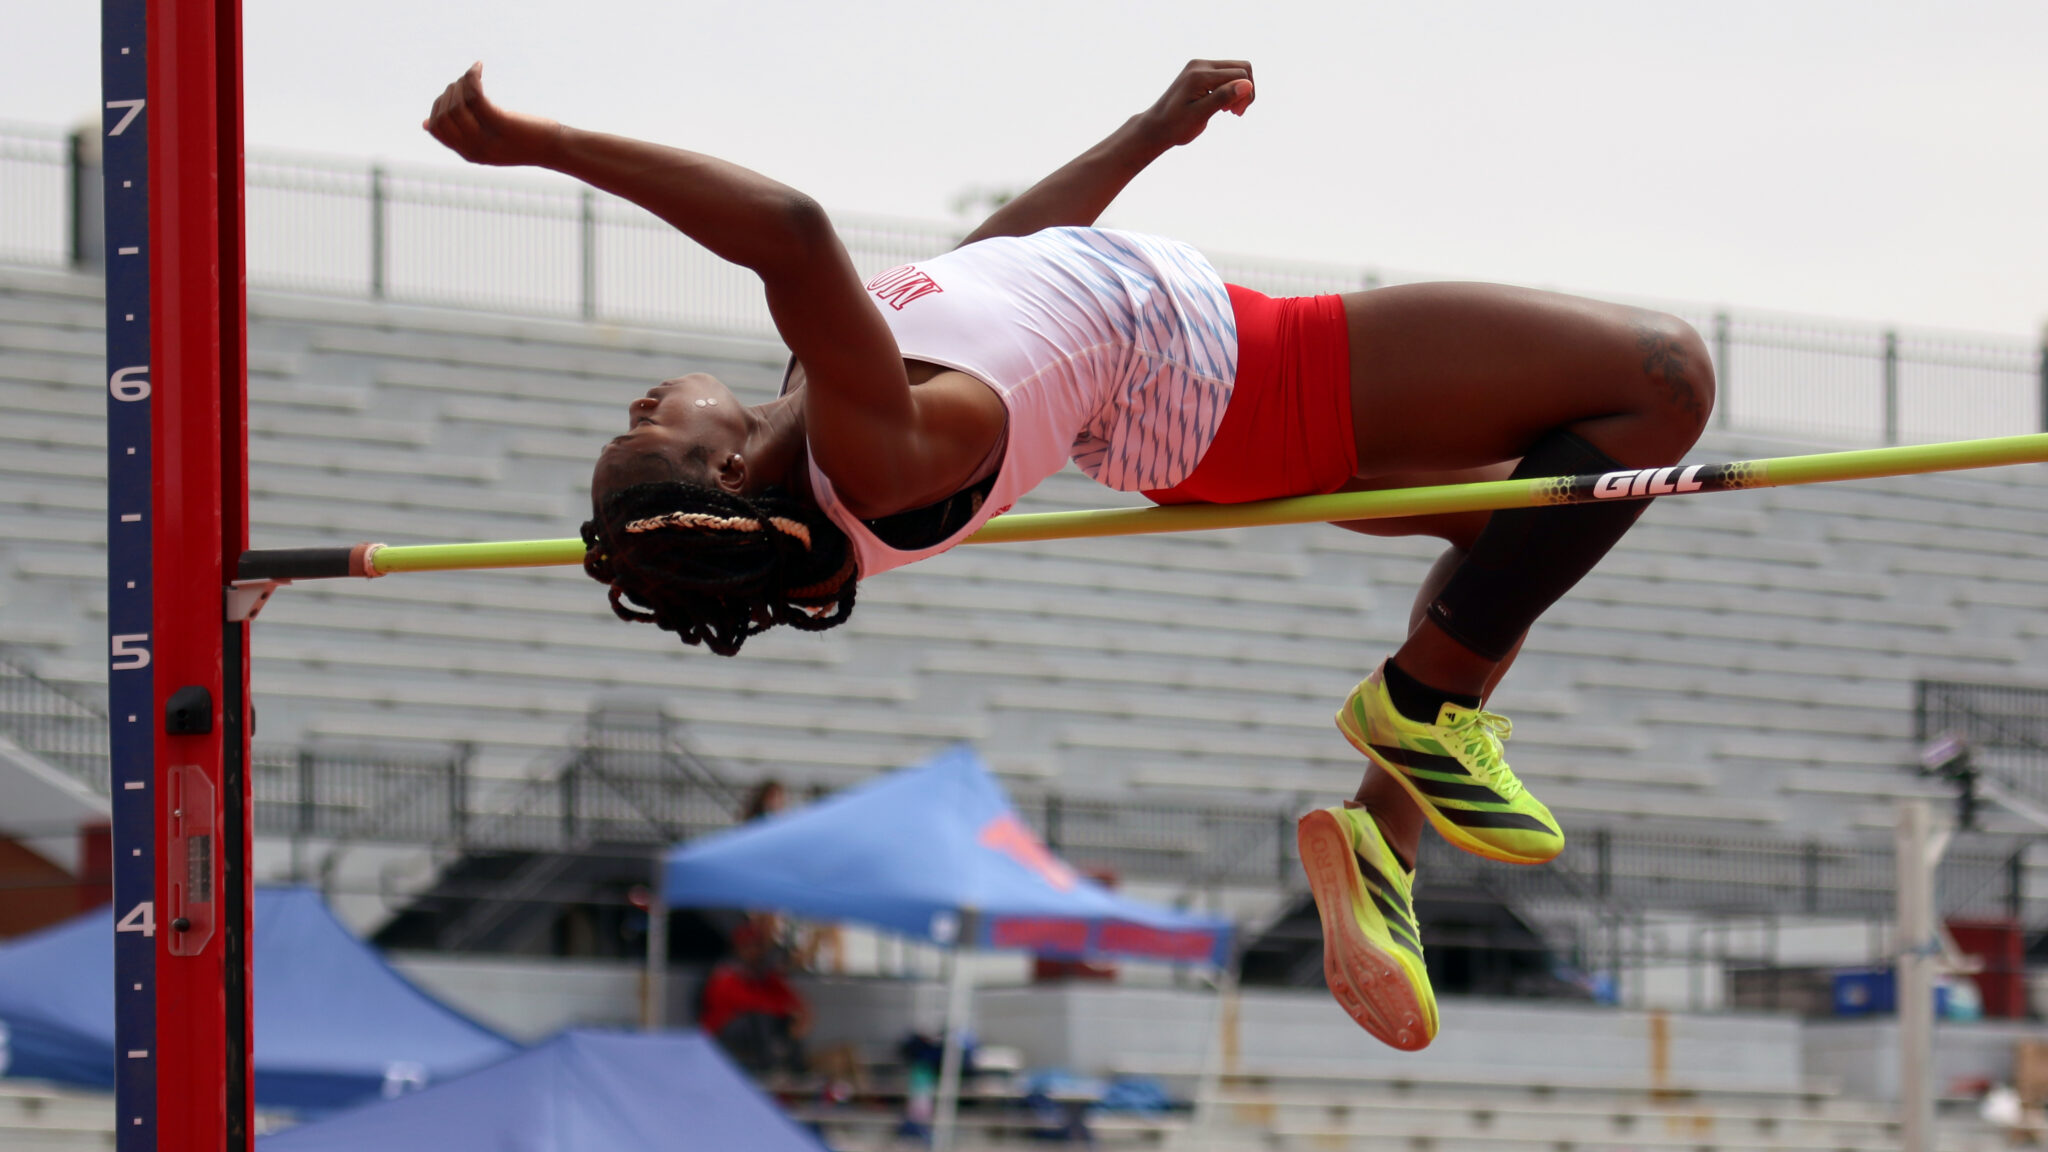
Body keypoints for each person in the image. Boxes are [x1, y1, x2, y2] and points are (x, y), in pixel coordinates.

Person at [425, 58, 1714, 1052]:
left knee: (1534, 531)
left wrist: (1144, 134)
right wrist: (535, 143)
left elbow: (1003, 265)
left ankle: (1382, 841)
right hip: (1247, 378)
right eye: (645, 430)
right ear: (722, 474)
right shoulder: (865, 449)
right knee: (1658, 381)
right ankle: (1419, 710)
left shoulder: (826, 401)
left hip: (1196, 408)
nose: (645, 402)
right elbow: (793, 228)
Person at [697, 921, 810, 1077]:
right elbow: (750, 1003)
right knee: (759, 1018)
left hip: (756, 1032)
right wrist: (781, 1008)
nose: (754, 952)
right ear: (737, 949)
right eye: (748, 946)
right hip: (722, 1033)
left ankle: (797, 1071)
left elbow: (791, 1001)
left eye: (757, 947)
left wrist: (798, 1015)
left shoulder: (762, 974)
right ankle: (767, 1070)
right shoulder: (724, 974)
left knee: (787, 1019)